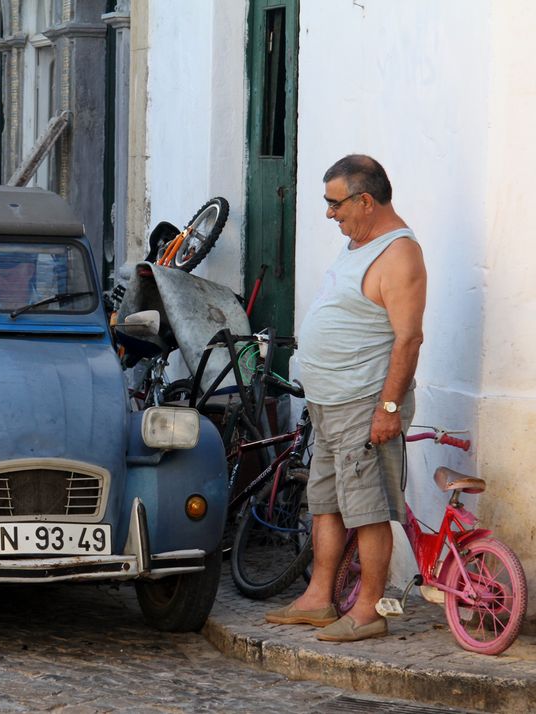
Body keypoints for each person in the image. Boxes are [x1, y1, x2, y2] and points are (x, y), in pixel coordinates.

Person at [265, 154, 426, 642]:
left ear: (366, 200)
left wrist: (389, 408)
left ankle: (369, 610)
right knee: (326, 502)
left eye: (335, 204)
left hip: (364, 404)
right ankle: (319, 598)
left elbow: (408, 339)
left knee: (368, 507)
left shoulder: (399, 254)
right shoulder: (360, 241)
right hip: (330, 402)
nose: (330, 214)